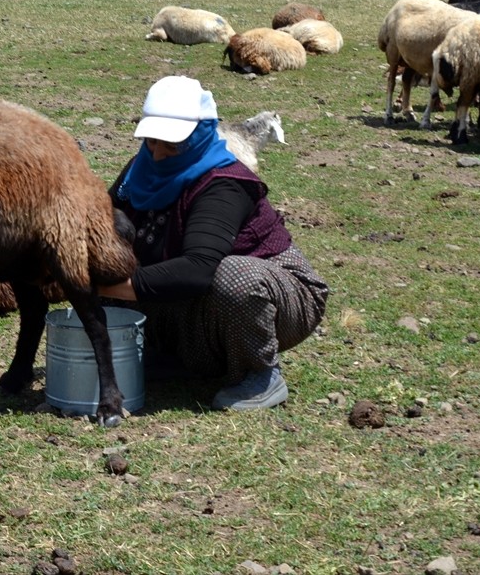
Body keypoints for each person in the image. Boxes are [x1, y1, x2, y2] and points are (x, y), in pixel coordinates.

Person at [100, 75, 328, 411]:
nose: (158, 154)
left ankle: (261, 374)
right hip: (196, 302)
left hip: (274, 296)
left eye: (172, 145)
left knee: (233, 275)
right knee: (107, 258)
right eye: (152, 141)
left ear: (202, 135)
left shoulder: (223, 183)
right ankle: (173, 358)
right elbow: (105, 227)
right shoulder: (139, 170)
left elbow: (197, 269)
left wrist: (106, 287)